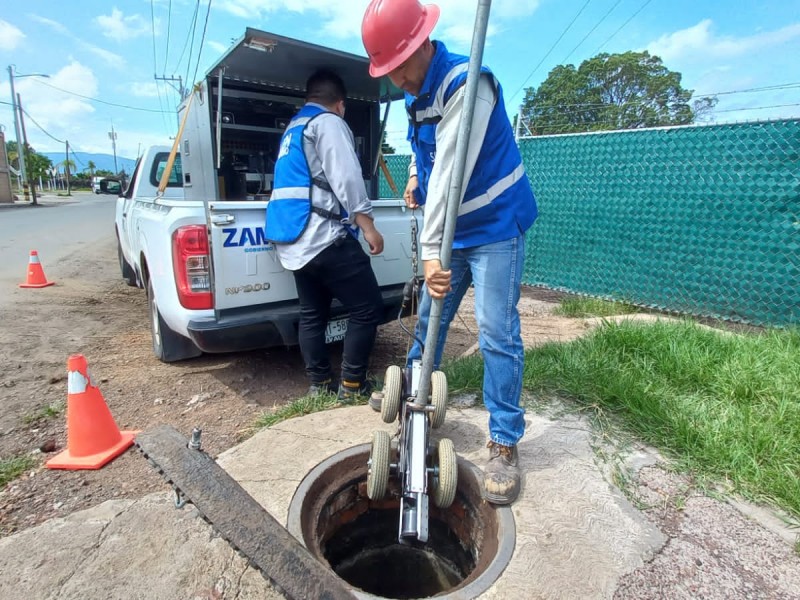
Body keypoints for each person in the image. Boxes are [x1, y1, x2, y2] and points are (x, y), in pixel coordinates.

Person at [362, 0, 538, 504]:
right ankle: (416, 409)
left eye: (398, 68)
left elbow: (452, 173)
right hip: (455, 228)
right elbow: (427, 157)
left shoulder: (468, 83)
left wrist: (431, 249)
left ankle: (504, 441)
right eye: (387, 72)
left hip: (495, 224)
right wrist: (415, 175)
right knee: (429, 323)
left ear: (420, 45)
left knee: (496, 332)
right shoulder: (416, 96)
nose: (396, 81)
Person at [266, 69, 385, 401]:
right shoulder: (328, 123)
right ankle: (352, 386)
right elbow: (347, 177)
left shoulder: (294, 128)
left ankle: (319, 386)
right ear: (340, 105)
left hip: (294, 239)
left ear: (309, 98)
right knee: (367, 308)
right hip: (323, 236)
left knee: (312, 313)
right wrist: (368, 226)